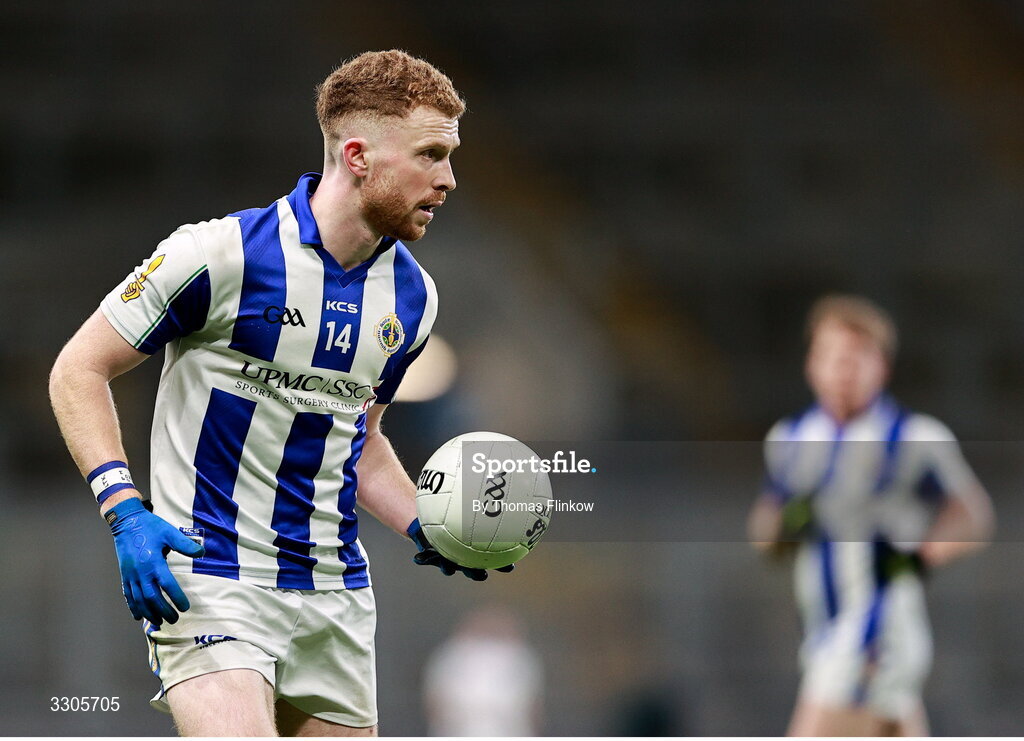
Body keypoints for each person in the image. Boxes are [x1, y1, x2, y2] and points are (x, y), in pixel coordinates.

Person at [48, 50, 510, 737]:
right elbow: (77, 369)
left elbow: (362, 439)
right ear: (357, 155)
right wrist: (123, 507)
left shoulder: (414, 297)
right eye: (431, 154)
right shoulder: (217, 254)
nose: (447, 179)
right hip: (213, 575)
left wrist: (423, 522)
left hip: (337, 594)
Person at [747, 294, 994, 737]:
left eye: (860, 356)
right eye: (835, 356)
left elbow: (973, 518)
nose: (846, 368)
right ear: (812, 364)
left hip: (877, 629)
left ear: (882, 367)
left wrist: (915, 560)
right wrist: (786, 523)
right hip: (825, 627)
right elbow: (765, 536)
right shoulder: (791, 439)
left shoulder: (914, 438)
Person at [422, 605, 543, 737]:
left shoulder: (519, 656)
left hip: (508, 729)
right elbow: (435, 699)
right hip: (460, 728)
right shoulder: (451, 655)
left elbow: (532, 704)